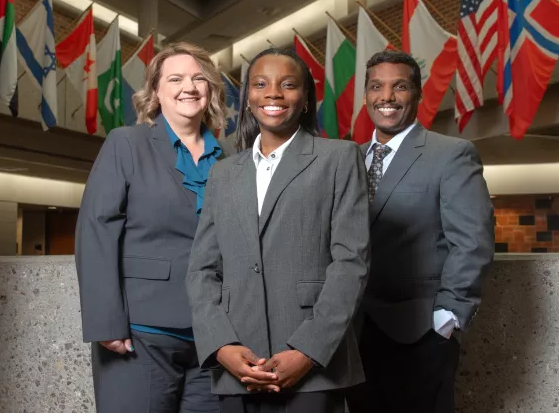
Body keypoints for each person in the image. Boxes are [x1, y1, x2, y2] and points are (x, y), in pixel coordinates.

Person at [186, 48, 370, 413]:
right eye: (260, 84)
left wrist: (309, 350)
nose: (273, 93)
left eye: (288, 85)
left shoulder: (340, 158)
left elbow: (351, 264)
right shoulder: (223, 173)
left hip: (313, 363)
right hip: (239, 361)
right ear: (248, 100)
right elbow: (202, 270)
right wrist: (221, 345)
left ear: (304, 100)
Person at [75, 42, 228, 413]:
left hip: (216, 336)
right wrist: (105, 321)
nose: (188, 87)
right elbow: (96, 230)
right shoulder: (126, 143)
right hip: (142, 331)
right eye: (175, 78)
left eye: (198, 78)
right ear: (156, 91)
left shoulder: (232, 158)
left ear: (210, 90)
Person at [345, 50, 495, 413]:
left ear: (418, 94)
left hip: (419, 332)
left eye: (400, 87)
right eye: (377, 87)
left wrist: (448, 317)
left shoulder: (451, 154)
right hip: (352, 332)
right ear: (365, 96)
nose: (387, 97)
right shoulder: (348, 158)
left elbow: (473, 241)